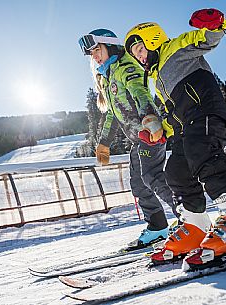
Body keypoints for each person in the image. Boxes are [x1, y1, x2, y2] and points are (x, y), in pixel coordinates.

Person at [124, 9, 226, 266]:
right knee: (176, 171)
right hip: (185, 128)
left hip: (206, 112)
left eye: (140, 49)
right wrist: (159, 133)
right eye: (135, 55)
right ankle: (196, 226)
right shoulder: (157, 78)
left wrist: (214, 25)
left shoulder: (176, 49)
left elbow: (206, 39)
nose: (139, 57)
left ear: (153, 39)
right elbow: (172, 113)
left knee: (202, 152)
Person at [78, 29, 177, 249]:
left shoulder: (125, 66)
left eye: (97, 50)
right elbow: (113, 114)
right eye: (91, 53)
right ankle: (158, 227)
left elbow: (140, 92)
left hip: (150, 135)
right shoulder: (108, 76)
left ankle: (189, 217)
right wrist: (103, 143)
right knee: (139, 184)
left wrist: (152, 122)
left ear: (110, 46)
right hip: (137, 140)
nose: (95, 56)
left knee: (152, 177)